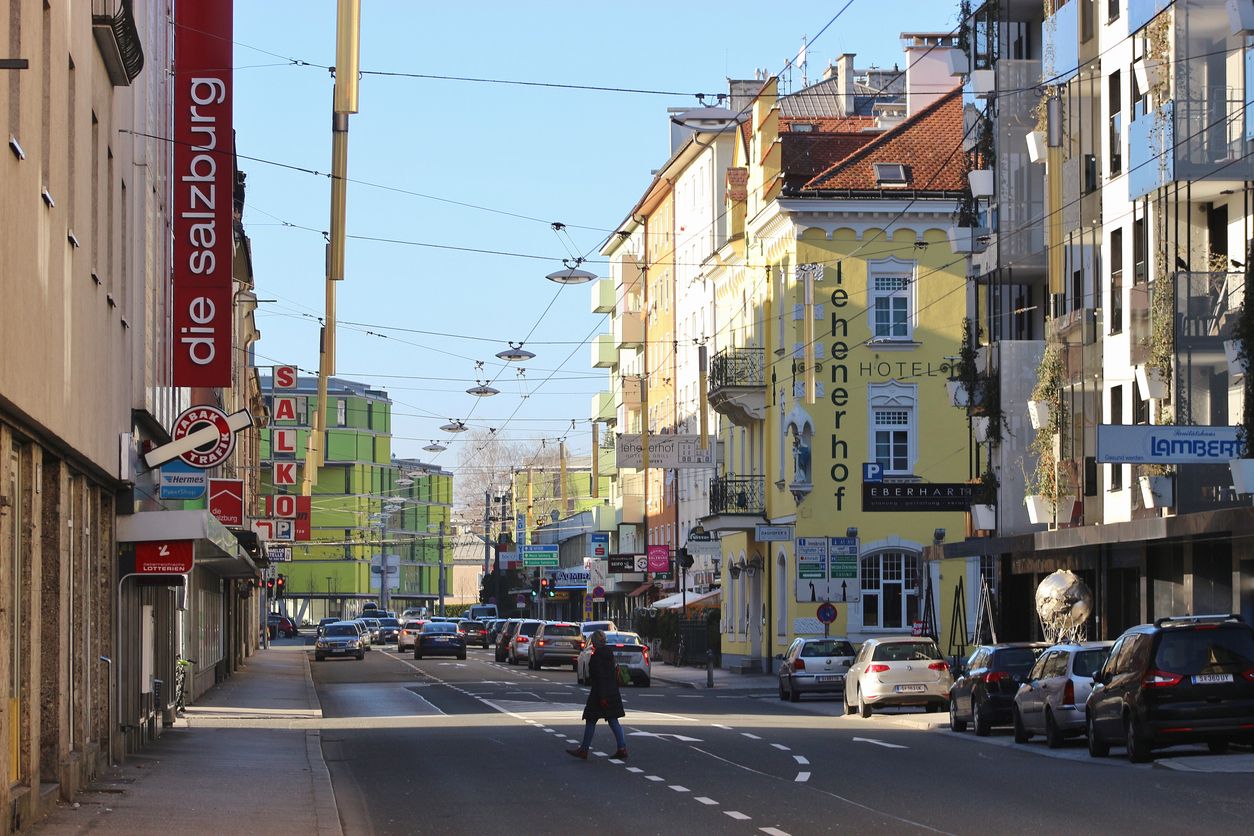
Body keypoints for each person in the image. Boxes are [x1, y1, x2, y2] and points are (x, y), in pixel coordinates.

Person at [567, 630, 627, 760]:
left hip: (600, 693)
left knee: (591, 719)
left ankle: (584, 750)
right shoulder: (609, 654)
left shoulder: (597, 656)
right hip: (612, 691)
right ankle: (622, 748)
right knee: (613, 719)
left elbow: (599, 677)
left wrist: (602, 696)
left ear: (594, 641)